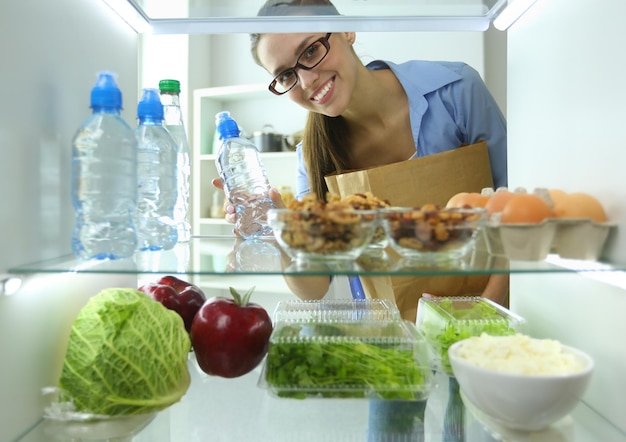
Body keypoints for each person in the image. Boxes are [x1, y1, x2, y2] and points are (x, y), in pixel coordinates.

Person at [213, 0, 509, 319]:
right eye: (286, 75)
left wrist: (481, 319)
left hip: (484, 326)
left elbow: (519, 217)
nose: (307, 81)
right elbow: (315, 286)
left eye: (311, 51)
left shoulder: (455, 91)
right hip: (383, 339)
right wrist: (284, 236)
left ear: (347, 30)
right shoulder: (310, 157)